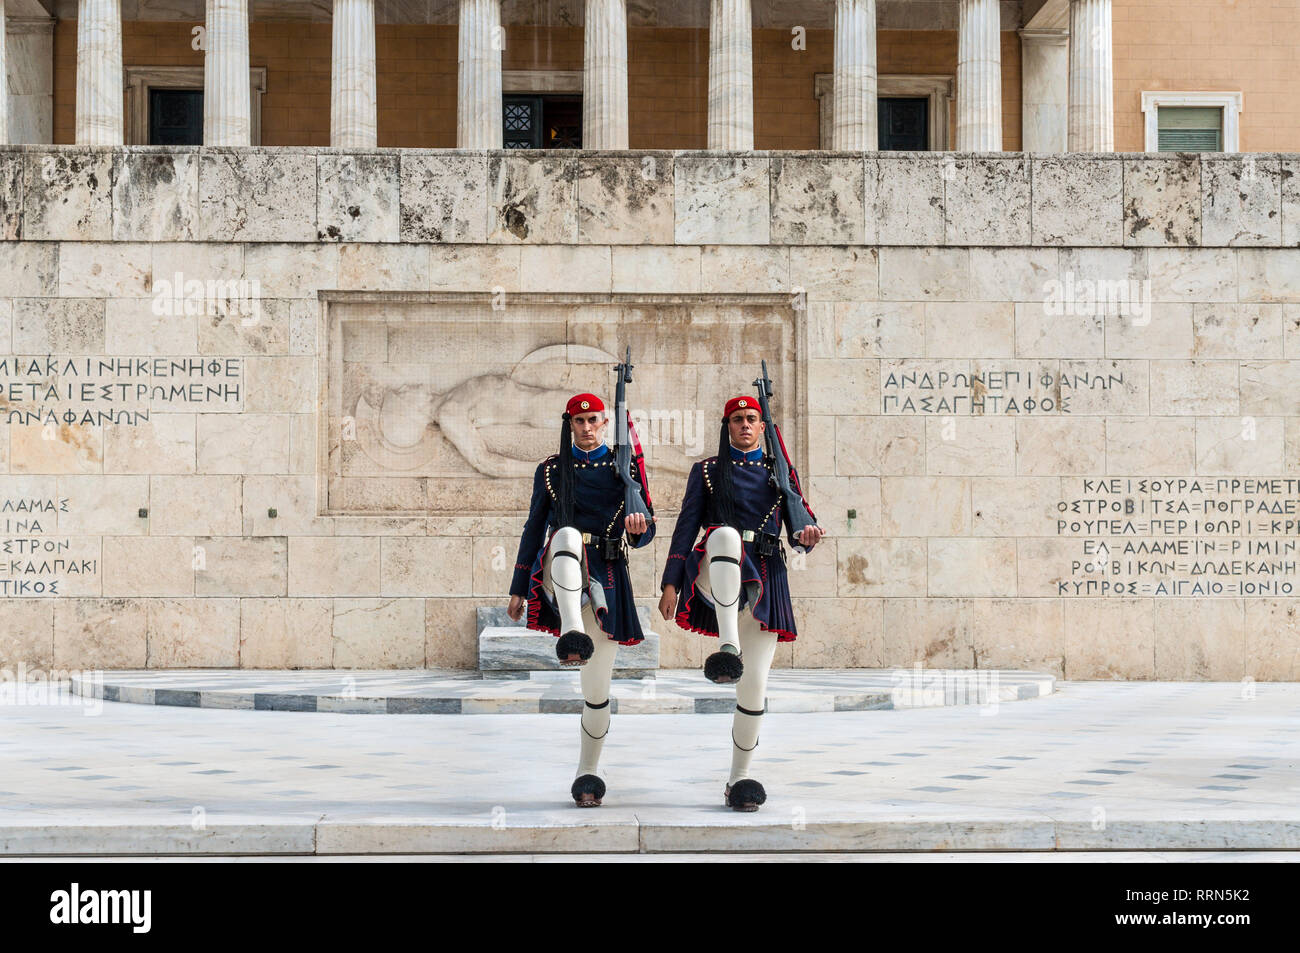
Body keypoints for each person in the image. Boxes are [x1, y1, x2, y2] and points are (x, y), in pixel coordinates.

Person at [658, 395, 825, 812]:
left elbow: (798, 525)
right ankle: (727, 646)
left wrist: (806, 535)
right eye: (738, 420)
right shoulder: (709, 472)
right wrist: (670, 583)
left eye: (752, 419)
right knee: (725, 536)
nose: (745, 425)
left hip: (766, 576)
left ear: (762, 427)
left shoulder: (779, 472)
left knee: (754, 689)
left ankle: (739, 778)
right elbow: (686, 527)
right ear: (726, 425)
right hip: (716, 573)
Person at [508, 393, 655, 807]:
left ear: (604, 423)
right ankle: (571, 633)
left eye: (593, 421)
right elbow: (534, 526)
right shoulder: (552, 470)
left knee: (597, 690)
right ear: (569, 424)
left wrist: (638, 524)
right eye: (579, 422)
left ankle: (587, 771)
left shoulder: (623, 468)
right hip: (562, 571)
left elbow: (645, 535)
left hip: (608, 575)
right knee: (567, 534)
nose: (587, 428)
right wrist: (519, 586)